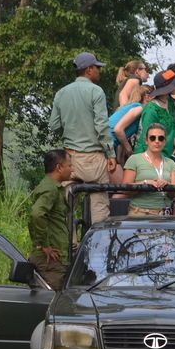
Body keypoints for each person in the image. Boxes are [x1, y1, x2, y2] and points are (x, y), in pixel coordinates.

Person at [49, 52, 116, 223]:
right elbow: (102, 126)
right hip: (94, 158)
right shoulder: (96, 91)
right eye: (97, 68)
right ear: (89, 70)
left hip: (69, 159)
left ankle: (69, 246)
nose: (99, 71)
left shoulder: (61, 93)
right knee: (99, 207)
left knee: (66, 208)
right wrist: (111, 154)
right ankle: (96, 248)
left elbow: (54, 125)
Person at [28, 149, 72, 290]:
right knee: (51, 301)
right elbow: (36, 214)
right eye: (69, 166)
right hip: (51, 260)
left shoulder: (51, 187)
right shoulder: (51, 189)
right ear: (59, 167)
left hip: (55, 257)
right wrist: (44, 245)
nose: (72, 169)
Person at [122, 123, 175, 216]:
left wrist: (167, 185)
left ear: (165, 142)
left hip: (165, 214)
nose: (157, 141)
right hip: (140, 213)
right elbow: (125, 189)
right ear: (146, 141)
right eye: (152, 138)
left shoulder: (171, 163)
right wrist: (145, 183)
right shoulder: (134, 159)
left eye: (161, 138)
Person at [133, 66, 175, 157]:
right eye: (174, 83)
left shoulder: (170, 103)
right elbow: (148, 139)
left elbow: (173, 129)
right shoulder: (151, 109)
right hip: (148, 157)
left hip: (167, 155)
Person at [109, 84, 152, 168]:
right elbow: (118, 129)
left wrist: (120, 159)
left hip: (111, 144)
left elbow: (121, 136)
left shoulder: (129, 107)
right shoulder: (139, 108)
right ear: (147, 97)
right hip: (106, 142)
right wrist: (128, 149)